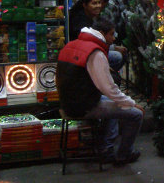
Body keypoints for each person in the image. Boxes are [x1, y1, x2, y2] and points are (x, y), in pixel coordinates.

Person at [56, 17, 144, 164]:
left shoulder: (73, 44)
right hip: (84, 106)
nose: (114, 38)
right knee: (135, 114)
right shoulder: (95, 52)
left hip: (68, 102)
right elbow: (109, 88)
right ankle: (124, 155)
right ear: (102, 33)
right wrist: (132, 103)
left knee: (117, 104)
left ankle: (107, 148)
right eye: (111, 34)